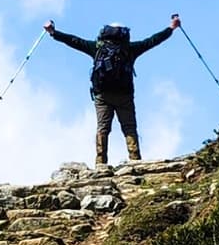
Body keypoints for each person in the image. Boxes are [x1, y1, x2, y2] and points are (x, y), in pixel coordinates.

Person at [44, 14, 181, 167]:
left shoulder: (97, 48)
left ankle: (101, 163)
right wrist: (171, 28)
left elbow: (74, 41)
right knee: (129, 127)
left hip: (102, 95)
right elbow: (152, 41)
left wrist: (53, 32)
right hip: (124, 95)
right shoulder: (130, 49)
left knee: (103, 127)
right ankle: (135, 160)